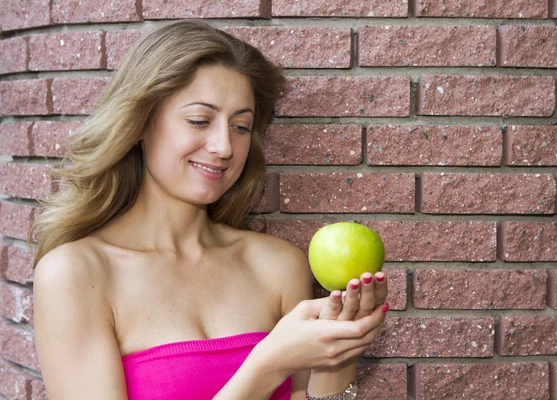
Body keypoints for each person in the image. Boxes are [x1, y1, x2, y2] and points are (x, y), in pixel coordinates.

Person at [30, 20, 389, 400]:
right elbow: (269, 368)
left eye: (240, 126)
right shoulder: (75, 274)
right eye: (200, 120)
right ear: (139, 123)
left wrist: (339, 350)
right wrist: (267, 365)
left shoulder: (277, 264)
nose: (224, 147)